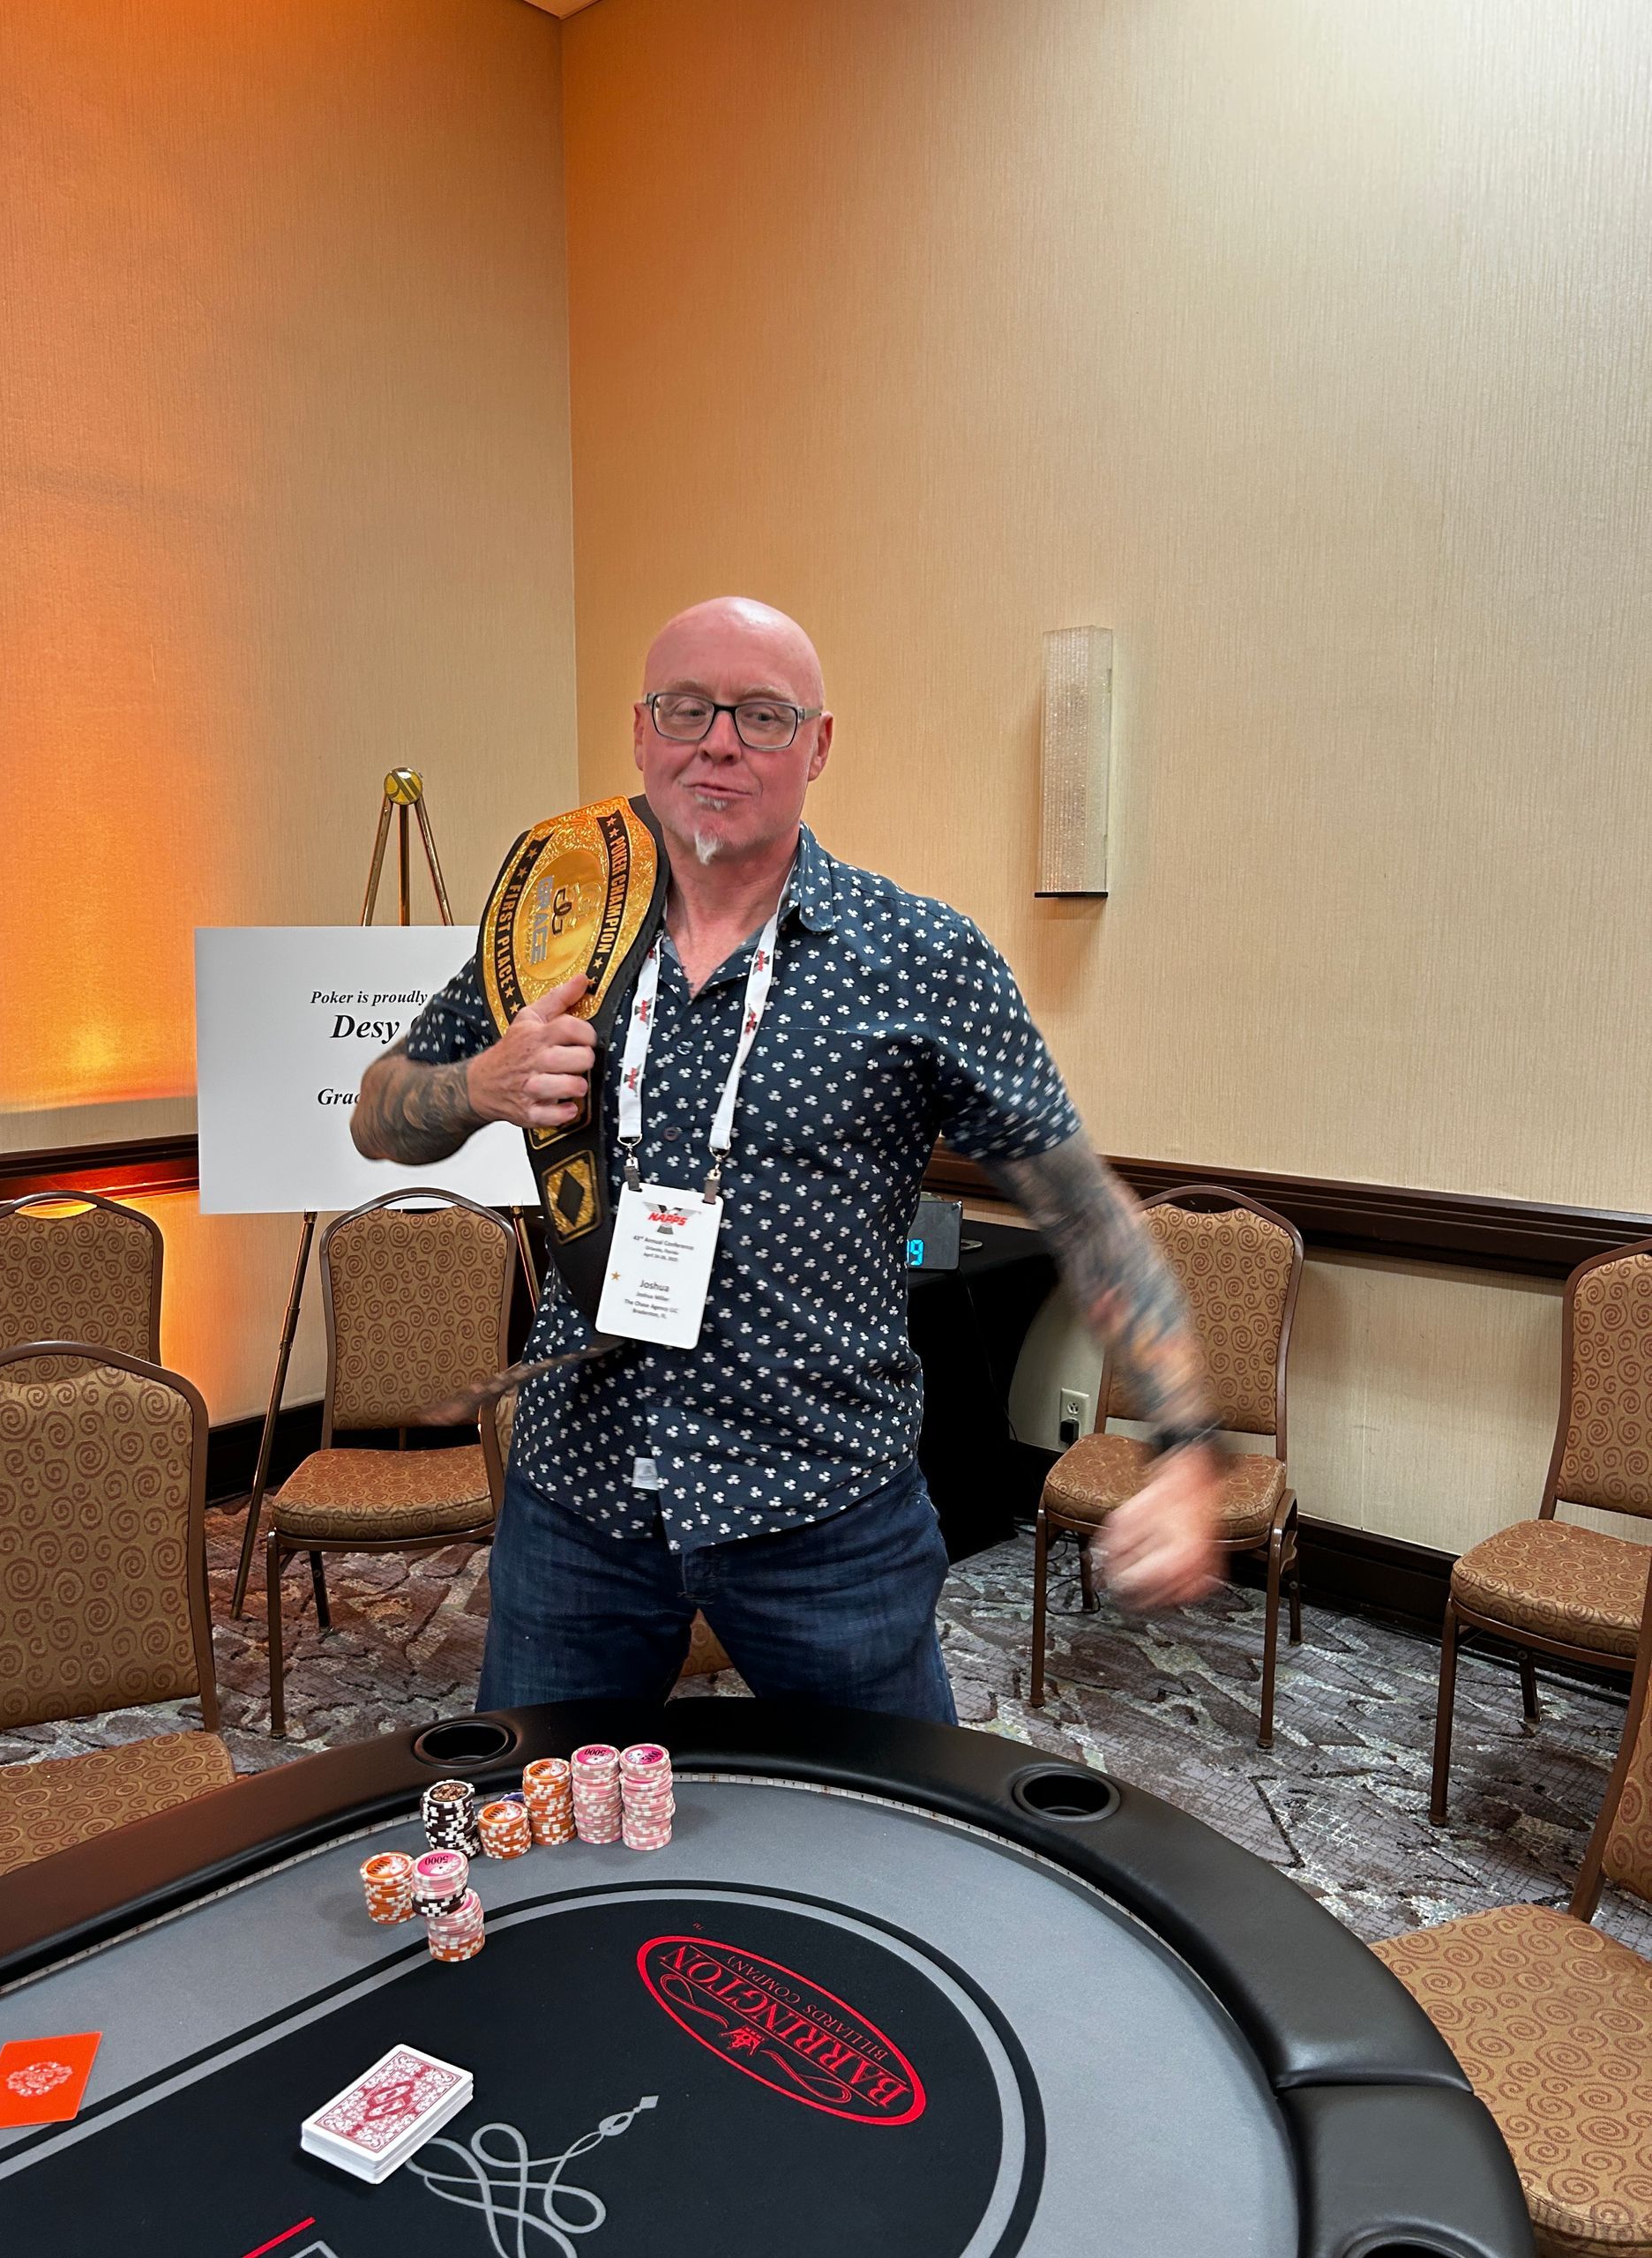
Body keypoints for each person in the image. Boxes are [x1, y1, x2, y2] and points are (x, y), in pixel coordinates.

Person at [352, 596, 1222, 1723]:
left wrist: (1184, 1447)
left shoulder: (922, 957)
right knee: (549, 1810)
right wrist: (479, 1084)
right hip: (579, 1507)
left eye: (762, 715)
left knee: (889, 1819)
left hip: (826, 1512)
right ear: (640, 732)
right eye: (687, 708)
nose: (719, 742)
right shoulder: (554, 934)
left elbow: (1083, 1211)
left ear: (818, 746)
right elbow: (377, 1113)